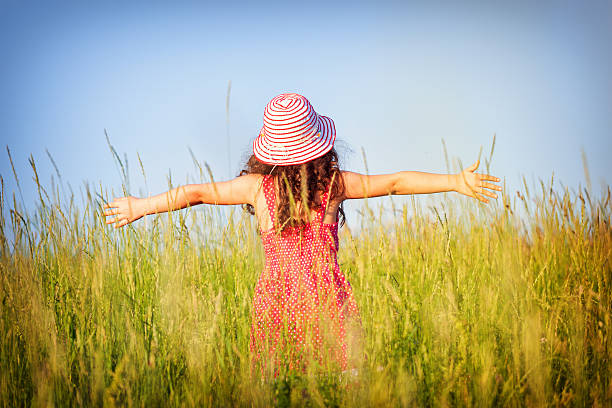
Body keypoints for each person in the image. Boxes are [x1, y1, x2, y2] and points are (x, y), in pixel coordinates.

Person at [103, 93, 501, 377]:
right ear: (317, 145)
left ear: (268, 151)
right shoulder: (334, 185)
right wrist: (455, 180)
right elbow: (396, 182)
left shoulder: (256, 189)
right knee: (346, 380)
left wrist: (141, 206)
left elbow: (196, 194)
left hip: (277, 302)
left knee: (282, 386)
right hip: (328, 300)